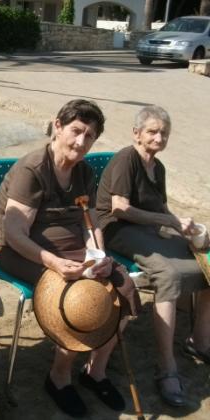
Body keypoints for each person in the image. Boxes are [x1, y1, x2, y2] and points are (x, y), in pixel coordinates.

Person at [0, 99, 139, 418]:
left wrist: (99, 256)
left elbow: (91, 224)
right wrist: (55, 264)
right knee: (81, 297)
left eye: (90, 136)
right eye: (76, 131)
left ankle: (95, 371)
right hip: (24, 252)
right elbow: (15, 233)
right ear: (57, 127)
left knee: (123, 286)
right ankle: (58, 377)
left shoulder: (83, 172)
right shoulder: (34, 170)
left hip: (72, 250)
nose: (81, 141)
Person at [95, 105, 210, 407]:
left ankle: (199, 341)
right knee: (168, 274)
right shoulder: (126, 159)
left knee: (207, 260)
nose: (159, 138)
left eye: (164, 133)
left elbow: (160, 208)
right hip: (117, 229)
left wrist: (181, 225)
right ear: (137, 133)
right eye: (153, 131)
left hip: (147, 228)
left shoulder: (157, 167)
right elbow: (119, 208)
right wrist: (168, 221)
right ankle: (166, 366)